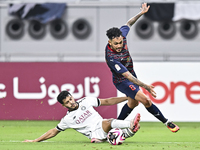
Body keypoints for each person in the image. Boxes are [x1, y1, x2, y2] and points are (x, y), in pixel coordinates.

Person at [105, 2, 179, 132]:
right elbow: (127, 76)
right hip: (122, 81)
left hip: (132, 76)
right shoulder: (111, 57)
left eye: (120, 42)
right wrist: (146, 86)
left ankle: (115, 127)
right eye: (116, 44)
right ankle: (167, 122)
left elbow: (129, 23)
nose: (119, 45)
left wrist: (141, 13)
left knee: (133, 103)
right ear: (109, 42)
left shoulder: (122, 35)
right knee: (146, 100)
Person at [23, 90, 141, 143]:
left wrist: (126, 97)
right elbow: (54, 131)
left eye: (71, 99)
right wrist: (36, 140)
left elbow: (108, 101)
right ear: (64, 106)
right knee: (109, 122)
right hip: (95, 132)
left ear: (72, 96)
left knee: (125, 129)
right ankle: (130, 123)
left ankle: (131, 129)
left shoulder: (86, 100)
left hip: (102, 127)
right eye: (68, 102)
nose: (71, 102)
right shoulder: (67, 119)